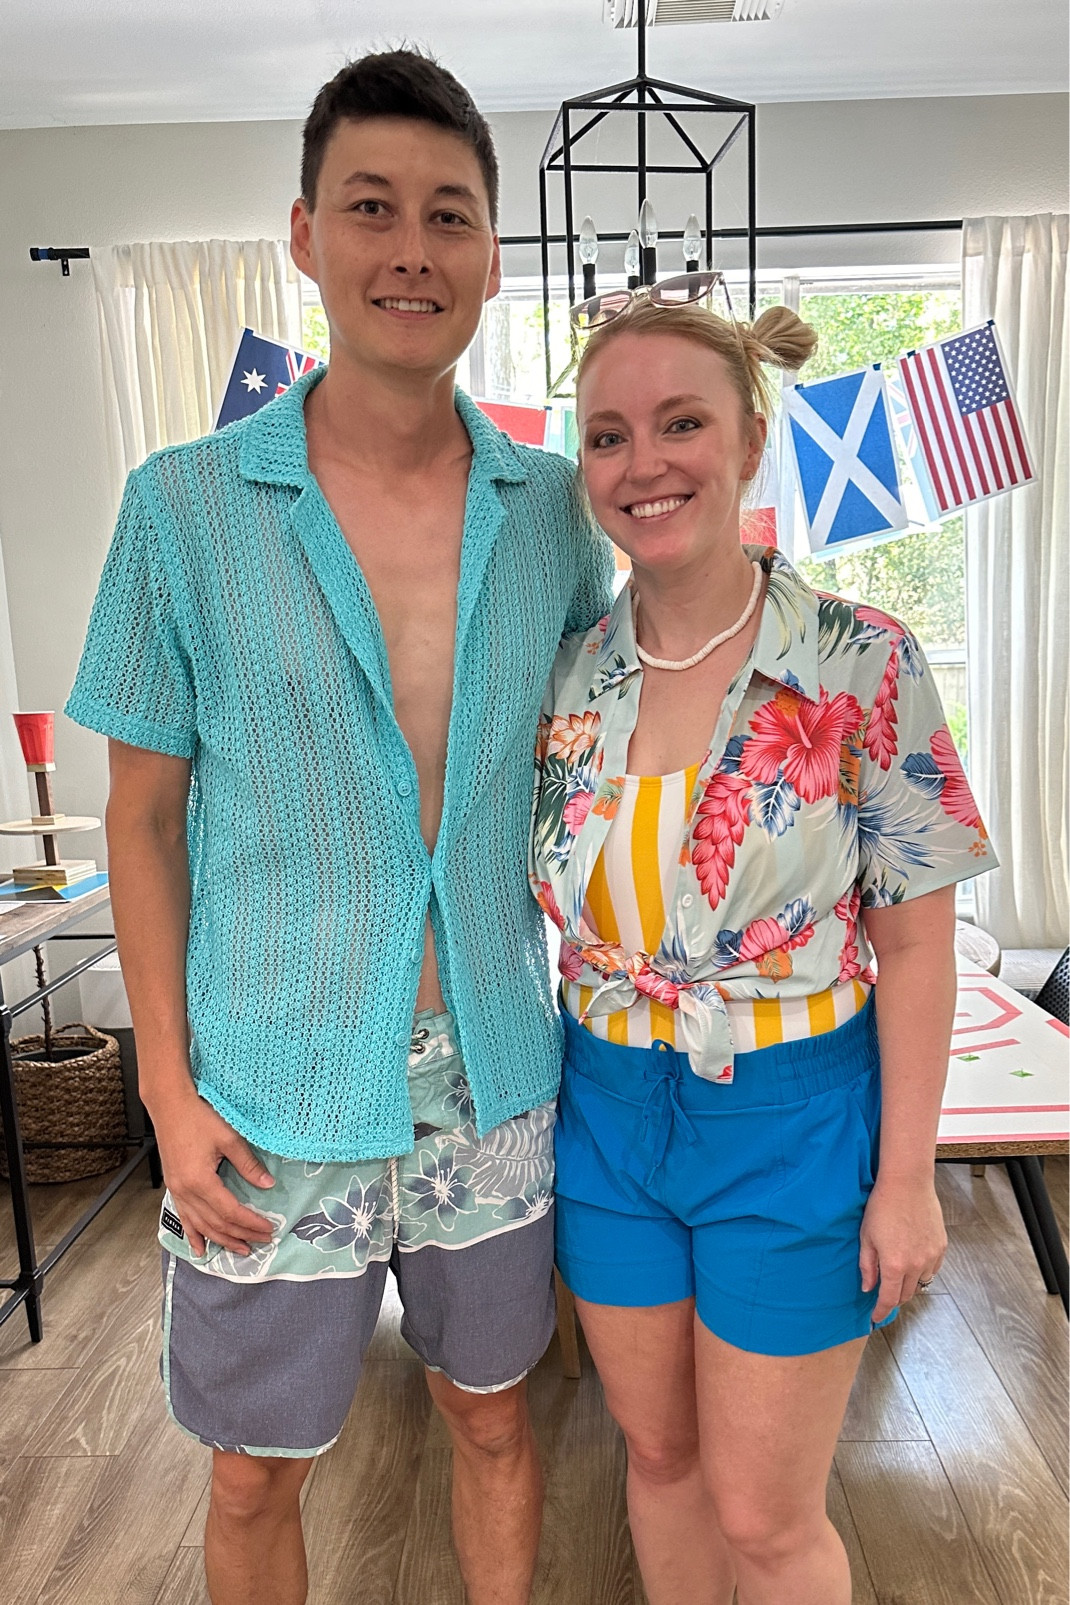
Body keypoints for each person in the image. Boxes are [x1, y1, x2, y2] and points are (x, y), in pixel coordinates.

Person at [66, 50, 612, 1605]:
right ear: (304, 234)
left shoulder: (555, 510)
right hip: (267, 1082)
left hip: (491, 1074)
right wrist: (163, 1090)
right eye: (371, 208)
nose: (410, 249)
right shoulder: (183, 509)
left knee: (494, 1416)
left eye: (449, 215)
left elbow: (600, 757)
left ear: (492, 255)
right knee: (254, 1468)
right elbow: (143, 813)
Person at [530, 292, 996, 1605]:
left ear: (747, 439)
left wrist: (904, 1177)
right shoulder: (565, 672)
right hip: (606, 1108)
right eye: (609, 435)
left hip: (794, 1118)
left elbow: (914, 949)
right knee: (660, 1454)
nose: (644, 461)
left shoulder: (860, 662)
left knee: (762, 1511)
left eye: (681, 422)